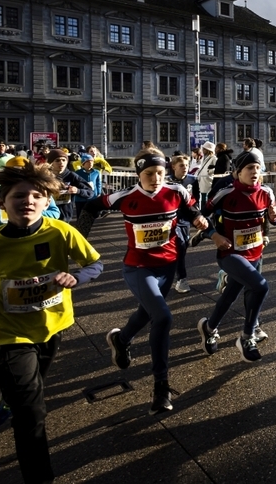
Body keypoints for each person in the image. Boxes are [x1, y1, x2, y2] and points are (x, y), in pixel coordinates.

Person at [0, 160, 102, 483]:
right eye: (19, 196)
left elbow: (95, 264)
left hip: (52, 327)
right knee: (32, 412)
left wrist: (77, 277)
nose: (28, 201)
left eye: (37, 196)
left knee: (32, 387)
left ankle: (8, 398)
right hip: (7, 334)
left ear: (47, 201)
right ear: (2, 203)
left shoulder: (61, 232)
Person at [79, 148, 208, 415]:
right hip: (138, 267)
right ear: (139, 173)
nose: (155, 178)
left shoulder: (176, 191)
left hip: (168, 266)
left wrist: (197, 217)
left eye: (160, 172)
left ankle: (121, 339)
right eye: (149, 173)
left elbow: (189, 208)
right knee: (163, 317)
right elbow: (91, 207)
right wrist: (78, 245)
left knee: (147, 313)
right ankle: (161, 386)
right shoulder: (125, 196)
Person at [196, 150, 276, 362]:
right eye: (250, 168)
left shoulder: (267, 192)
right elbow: (200, 217)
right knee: (260, 287)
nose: (255, 172)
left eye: (258, 168)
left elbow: (272, 217)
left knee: (230, 294)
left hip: (255, 253)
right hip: (230, 253)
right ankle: (247, 336)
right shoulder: (226, 193)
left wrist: (274, 217)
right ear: (238, 172)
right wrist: (214, 235)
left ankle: (209, 327)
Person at [167, 155, 197, 293]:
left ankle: (172, 270)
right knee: (179, 245)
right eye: (181, 165)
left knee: (183, 248)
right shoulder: (167, 181)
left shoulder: (192, 180)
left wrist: (197, 216)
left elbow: (195, 199)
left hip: (186, 220)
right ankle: (181, 279)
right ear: (174, 167)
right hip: (172, 219)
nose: (185, 168)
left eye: (186, 165)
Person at [46, 149, 93, 223]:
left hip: (65, 217)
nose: (61, 163)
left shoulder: (71, 176)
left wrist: (77, 190)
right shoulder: (44, 176)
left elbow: (90, 192)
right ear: (50, 163)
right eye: (57, 160)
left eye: (63, 160)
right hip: (47, 216)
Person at [196, 142, 217, 206]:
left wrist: (209, 171)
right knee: (202, 195)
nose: (203, 150)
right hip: (202, 179)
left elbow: (216, 168)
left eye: (204, 149)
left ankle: (205, 209)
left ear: (208, 150)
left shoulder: (214, 158)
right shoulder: (204, 158)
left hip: (207, 179)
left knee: (206, 196)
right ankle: (203, 208)